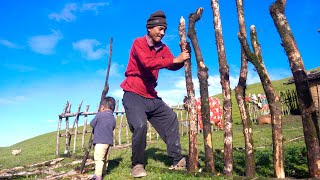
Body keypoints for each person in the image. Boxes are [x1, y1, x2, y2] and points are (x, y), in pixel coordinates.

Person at [120, 10, 190, 178]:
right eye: (159, 28)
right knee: (140, 126)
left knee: (170, 117)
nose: (163, 32)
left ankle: (177, 159)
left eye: (164, 30)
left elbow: (172, 65)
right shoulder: (138, 43)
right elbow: (147, 63)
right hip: (133, 92)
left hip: (151, 95)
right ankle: (137, 164)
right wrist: (175, 60)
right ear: (150, 28)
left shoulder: (163, 48)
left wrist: (184, 57)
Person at [90, 96, 116, 180]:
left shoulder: (100, 114)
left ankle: (98, 176)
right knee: (105, 159)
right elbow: (113, 127)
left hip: (100, 141)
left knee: (99, 159)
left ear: (102, 107)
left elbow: (92, 124)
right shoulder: (113, 118)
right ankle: (103, 172)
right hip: (109, 142)